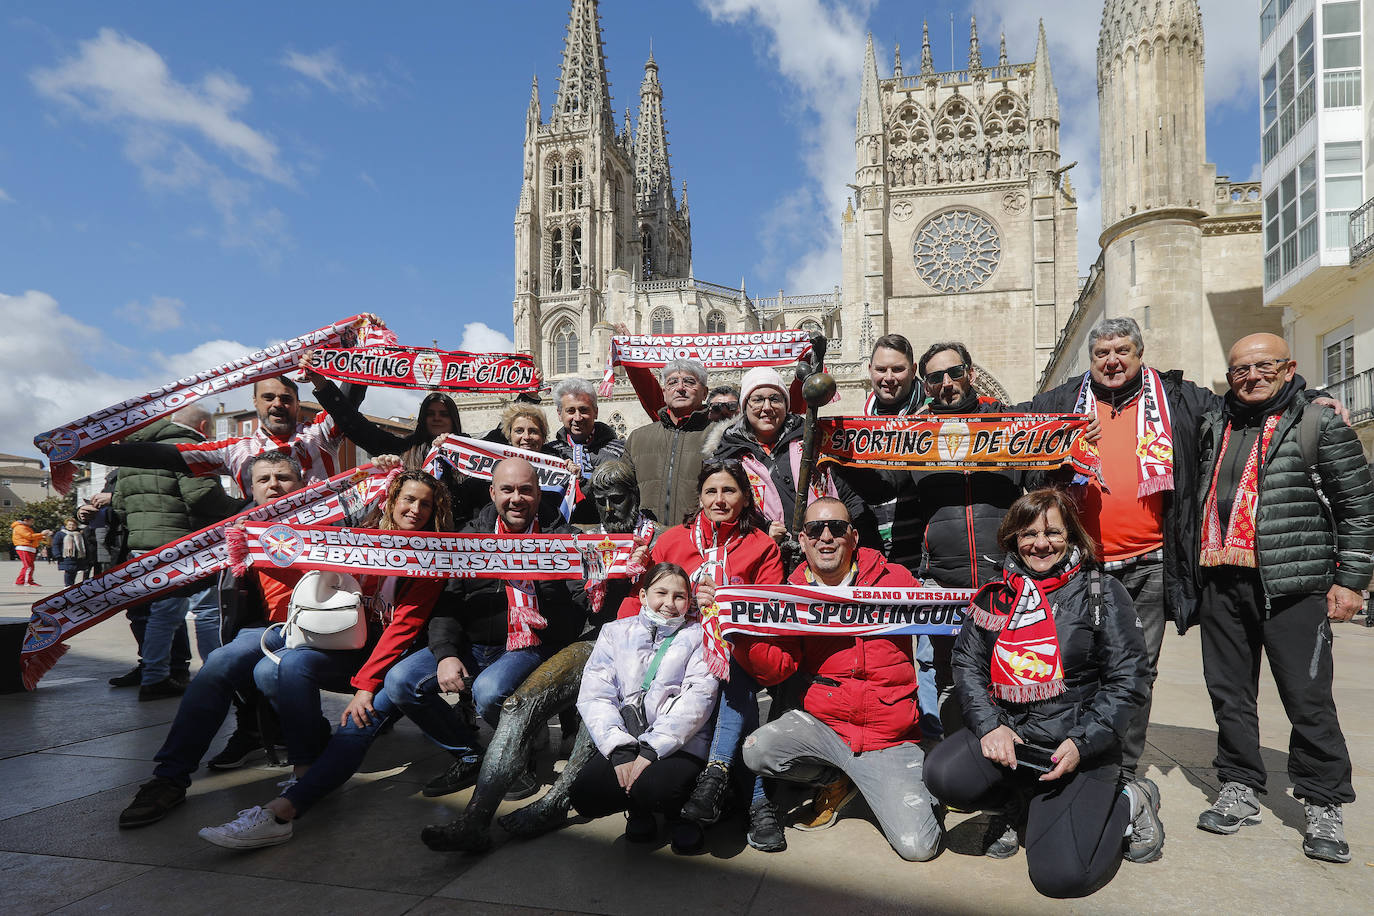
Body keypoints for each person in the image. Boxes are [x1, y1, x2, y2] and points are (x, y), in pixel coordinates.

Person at [197, 467, 454, 849]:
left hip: (398, 659)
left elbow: (405, 626)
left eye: (426, 504)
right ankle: (304, 770)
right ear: (392, 501)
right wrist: (258, 539)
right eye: (408, 499)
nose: (416, 509)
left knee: (356, 723)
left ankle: (280, 813)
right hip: (354, 650)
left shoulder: (429, 556)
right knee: (288, 663)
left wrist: (365, 688)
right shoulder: (363, 539)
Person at [925, 488, 1161, 898]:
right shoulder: (997, 595)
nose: (1040, 543)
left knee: (1061, 878)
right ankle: (1019, 804)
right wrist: (990, 728)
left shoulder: (1100, 592)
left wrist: (1082, 743)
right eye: (1028, 533)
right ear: (1013, 538)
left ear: (1071, 536)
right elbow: (967, 664)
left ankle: (1130, 799)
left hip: (1076, 750)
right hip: (1014, 743)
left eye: (1053, 532)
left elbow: (1130, 679)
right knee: (943, 774)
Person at [1193, 333, 1374, 864]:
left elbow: (1358, 508)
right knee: (1229, 696)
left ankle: (1322, 801)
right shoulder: (1215, 421)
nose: (1251, 376)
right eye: (1239, 369)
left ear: (1288, 367)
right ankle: (1240, 785)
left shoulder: (1318, 420)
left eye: (1263, 366)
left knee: (1308, 699)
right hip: (1221, 582)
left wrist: (1352, 580)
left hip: (1292, 585)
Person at [739, 498, 942, 862]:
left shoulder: (896, 579)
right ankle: (834, 780)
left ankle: (881, 780)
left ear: (854, 536)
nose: (827, 537)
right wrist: (741, 634)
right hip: (826, 728)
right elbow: (777, 669)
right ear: (803, 541)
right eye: (816, 529)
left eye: (837, 528)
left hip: (889, 738)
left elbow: (941, 634)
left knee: (919, 847)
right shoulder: (792, 592)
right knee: (757, 750)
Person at [117, 453, 311, 829]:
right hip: (270, 629)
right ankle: (169, 778)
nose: (274, 485)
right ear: (248, 489)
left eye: (284, 477)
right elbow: (189, 570)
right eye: (264, 479)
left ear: (302, 483)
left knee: (276, 674)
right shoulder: (232, 530)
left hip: (329, 625)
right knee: (217, 666)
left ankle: (310, 749)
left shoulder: (335, 519)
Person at [622, 458, 787, 851]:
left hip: (734, 652)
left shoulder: (762, 546)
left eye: (729, 490)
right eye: (711, 491)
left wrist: (725, 606)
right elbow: (640, 600)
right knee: (723, 707)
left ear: (745, 498)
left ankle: (715, 788)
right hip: (673, 648)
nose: (719, 499)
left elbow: (767, 610)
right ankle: (747, 799)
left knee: (730, 678)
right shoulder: (672, 540)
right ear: (699, 496)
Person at [422, 458, 591, 804]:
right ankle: (471, 754)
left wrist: (604, 576)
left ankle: (517, 754)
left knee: (488, 692)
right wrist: (446, 654)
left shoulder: (564, 538)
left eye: (526, 490)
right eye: (508, 490)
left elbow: (585, 600)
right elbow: (448, 603)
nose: (517, 498)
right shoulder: (469, 538)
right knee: (400, 685)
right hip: (473, 644)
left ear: (539, 493)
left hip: (529, 645)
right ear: (492, 492)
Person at [895, 342, 1024, 739]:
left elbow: (1040, 478)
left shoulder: (1009, 422)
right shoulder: (911, 434)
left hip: (1002, 575)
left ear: (970, 371)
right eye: (935, 377)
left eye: (954, 373)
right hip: (942, 579)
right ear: (925, 383)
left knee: (1009, 671)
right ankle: (950, 757)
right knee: (943, 674)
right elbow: (889, 487)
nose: (946, 383)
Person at [569, 562, 720, 851]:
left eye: (679, 596)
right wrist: (619, 749)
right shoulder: (614, 633)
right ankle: (639, 808)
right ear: (642, 595)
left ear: (689, 601)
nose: (669, 603)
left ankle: (683, 814)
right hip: (628, 737)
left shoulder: (701, 636)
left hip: (680, 744)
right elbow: (596, 694)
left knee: (654, 787)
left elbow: (698, 699)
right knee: (586, 794)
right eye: (661, 593)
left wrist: (652, 750)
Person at [112, 408, 244, 700]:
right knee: (208, 611)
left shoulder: (131, 452)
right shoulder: (187, 447)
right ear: (203, 425)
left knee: (160, 615)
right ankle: (215, 675)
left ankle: (154, 676)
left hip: (144, 545)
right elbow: (202, 496)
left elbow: (119, 505)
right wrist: (241, 508)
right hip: (185, 546)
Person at [706, 366, 878, 549]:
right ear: (745, 406)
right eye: (757, 400)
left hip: (825, 549)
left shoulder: (814, 441)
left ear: (786, 405)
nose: (767, 407)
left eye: (775, 399)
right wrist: (763, 531)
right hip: (764, 558)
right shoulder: (729, 455)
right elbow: (723, 514)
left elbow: (848, 495)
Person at [302, 351, 474, 522]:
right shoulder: (403, 450)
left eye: (443, 414)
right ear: (422, 419)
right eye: (430, 413)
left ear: (453, 419)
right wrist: (321, 383)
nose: (437, 418)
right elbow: (355, 425)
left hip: (456, 539)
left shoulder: (473, 453)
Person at [624, 358, 720, 526]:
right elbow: (621, 490)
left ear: (705, 393)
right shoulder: (638, 438)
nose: (680, 388)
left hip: (700, 540)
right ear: (664, 391)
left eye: (689, 382)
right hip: (648, 541)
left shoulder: (720, 435)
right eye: (672, 382)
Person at [544, 377, 626, 524]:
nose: (577, 417)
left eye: (583, 410)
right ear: (559, 414)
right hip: (561, 536)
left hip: (608, 535)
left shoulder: (620, 450)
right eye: (570, 410)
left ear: (595, 412)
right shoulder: (549, 453)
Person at [52, 517, 88, 587]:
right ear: (66, 525)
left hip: (77, 557)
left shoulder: (79, 534)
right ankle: (67, 586)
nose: (71, 526)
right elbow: (56, 544)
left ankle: (71, 585)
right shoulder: (60, 534)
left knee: (74, 571)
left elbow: (85, 545)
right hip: (66, 556)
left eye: (73, 525)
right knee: (68, 572)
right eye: (69, 525)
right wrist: (57, 554)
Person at [10, 513, 42, 586]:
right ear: (25, 520)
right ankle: (28, 581)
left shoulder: (26, 527)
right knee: (28, 566)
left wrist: (42, 537)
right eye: (31, 521)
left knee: (28, 566)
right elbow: (29, 536)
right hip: (24, 547)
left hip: (29, 548)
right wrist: (41, 534)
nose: (32, 523)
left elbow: (32, 537)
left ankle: (20, 581)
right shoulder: (20, 527)